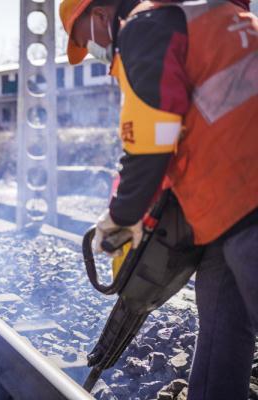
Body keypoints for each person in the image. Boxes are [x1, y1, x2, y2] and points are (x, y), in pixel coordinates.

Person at [59, 0, 258, 398]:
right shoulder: (196, 15)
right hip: (228, 208)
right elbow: (190, 123)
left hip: (247, 200)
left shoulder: (145, 27)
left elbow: (151, 141)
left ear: (99, 16)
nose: (97, 53)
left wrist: (120, 217)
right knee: (223, 328)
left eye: (85, 40)